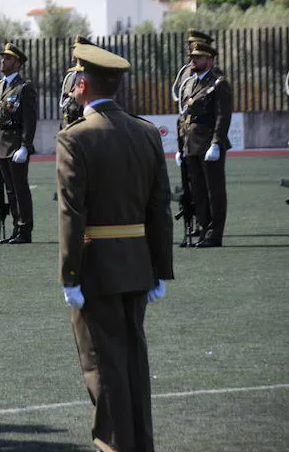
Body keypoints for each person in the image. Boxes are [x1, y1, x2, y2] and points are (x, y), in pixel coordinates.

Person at [56, 40, 174, 452]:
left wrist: (70, 275)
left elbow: (72, 213)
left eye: (75, 78)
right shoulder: (145, 132)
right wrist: (160, 269)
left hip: (96, 270)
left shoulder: (75, 138)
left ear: (83, 84)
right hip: (138, 265)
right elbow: (160, 207)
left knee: (101, 366)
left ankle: (113, 445)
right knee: (133, 363)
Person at [175, 29, 232, 248]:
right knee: (197, 190)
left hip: (208, 142)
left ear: (209, 59)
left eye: (197, 57)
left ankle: (214, 233)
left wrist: (217, 143)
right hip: (191, 144)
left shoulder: (219, 83)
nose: (192, 60)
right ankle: (203, 227)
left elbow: (223, 116)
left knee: (213, 190)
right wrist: (181, 146)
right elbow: (184, 116)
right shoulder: (190, 83)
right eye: (191, 57)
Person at [0, 43, 37, 244]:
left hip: (16, 144)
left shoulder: (24, 88)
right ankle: (15, 229)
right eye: (3, 57)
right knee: (10, 191)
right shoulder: (1, 86)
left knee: (20, 189)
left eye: (8, 58)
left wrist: (25, 146)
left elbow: (30, 119)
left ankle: (25, 230)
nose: (3, 61)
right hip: (2, 144)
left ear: (17, 63)